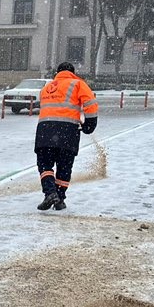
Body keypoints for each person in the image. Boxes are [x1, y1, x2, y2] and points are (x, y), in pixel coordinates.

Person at [34, 61, 98, 211]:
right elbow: (90, 103)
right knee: (64, 166)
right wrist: (89, 125)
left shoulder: (46, 87)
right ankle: (59, 198)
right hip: (68, 131)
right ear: (72, 73)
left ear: (57, 72)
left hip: (45, 130)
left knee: (45, 165)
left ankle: (50, 193)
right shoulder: (78, 84)